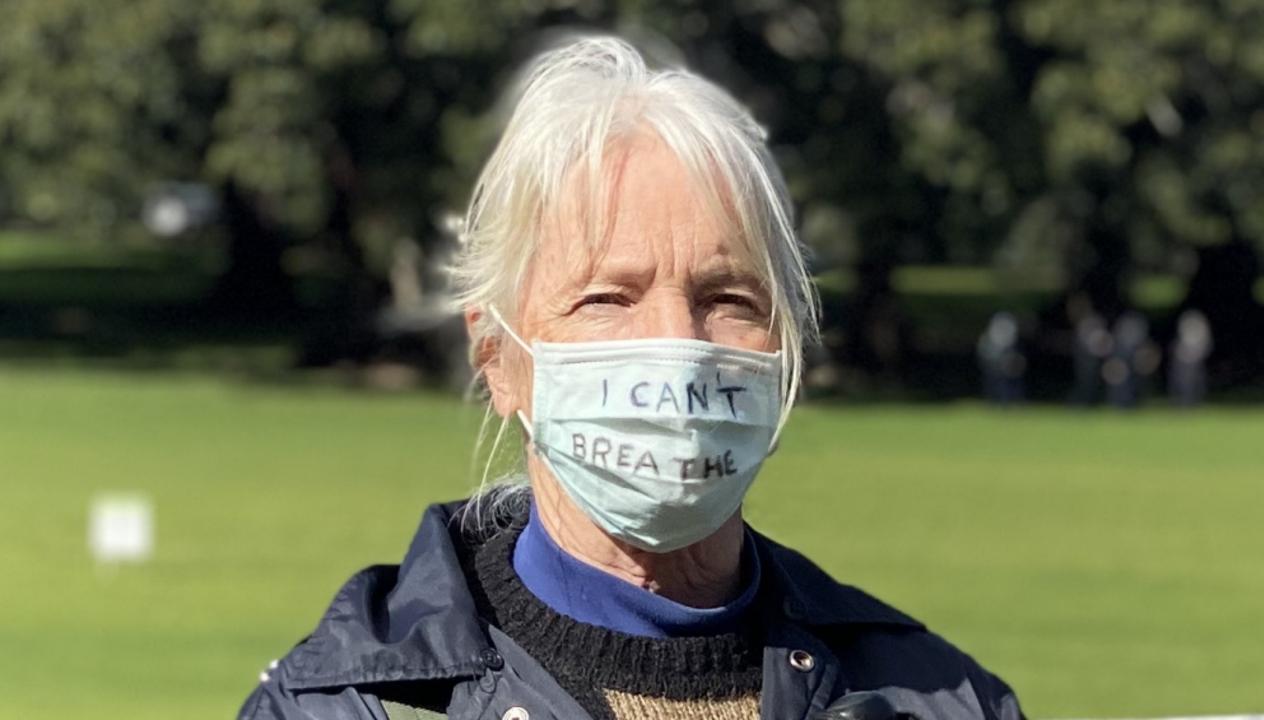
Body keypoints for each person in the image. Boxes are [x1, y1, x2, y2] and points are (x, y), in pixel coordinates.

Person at [239, 36, 1024, 720]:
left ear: (786, 346)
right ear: (497, 359)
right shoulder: (351, 706)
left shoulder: (938, 698)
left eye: (726, 298)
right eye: (605, 298)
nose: (676, 346)